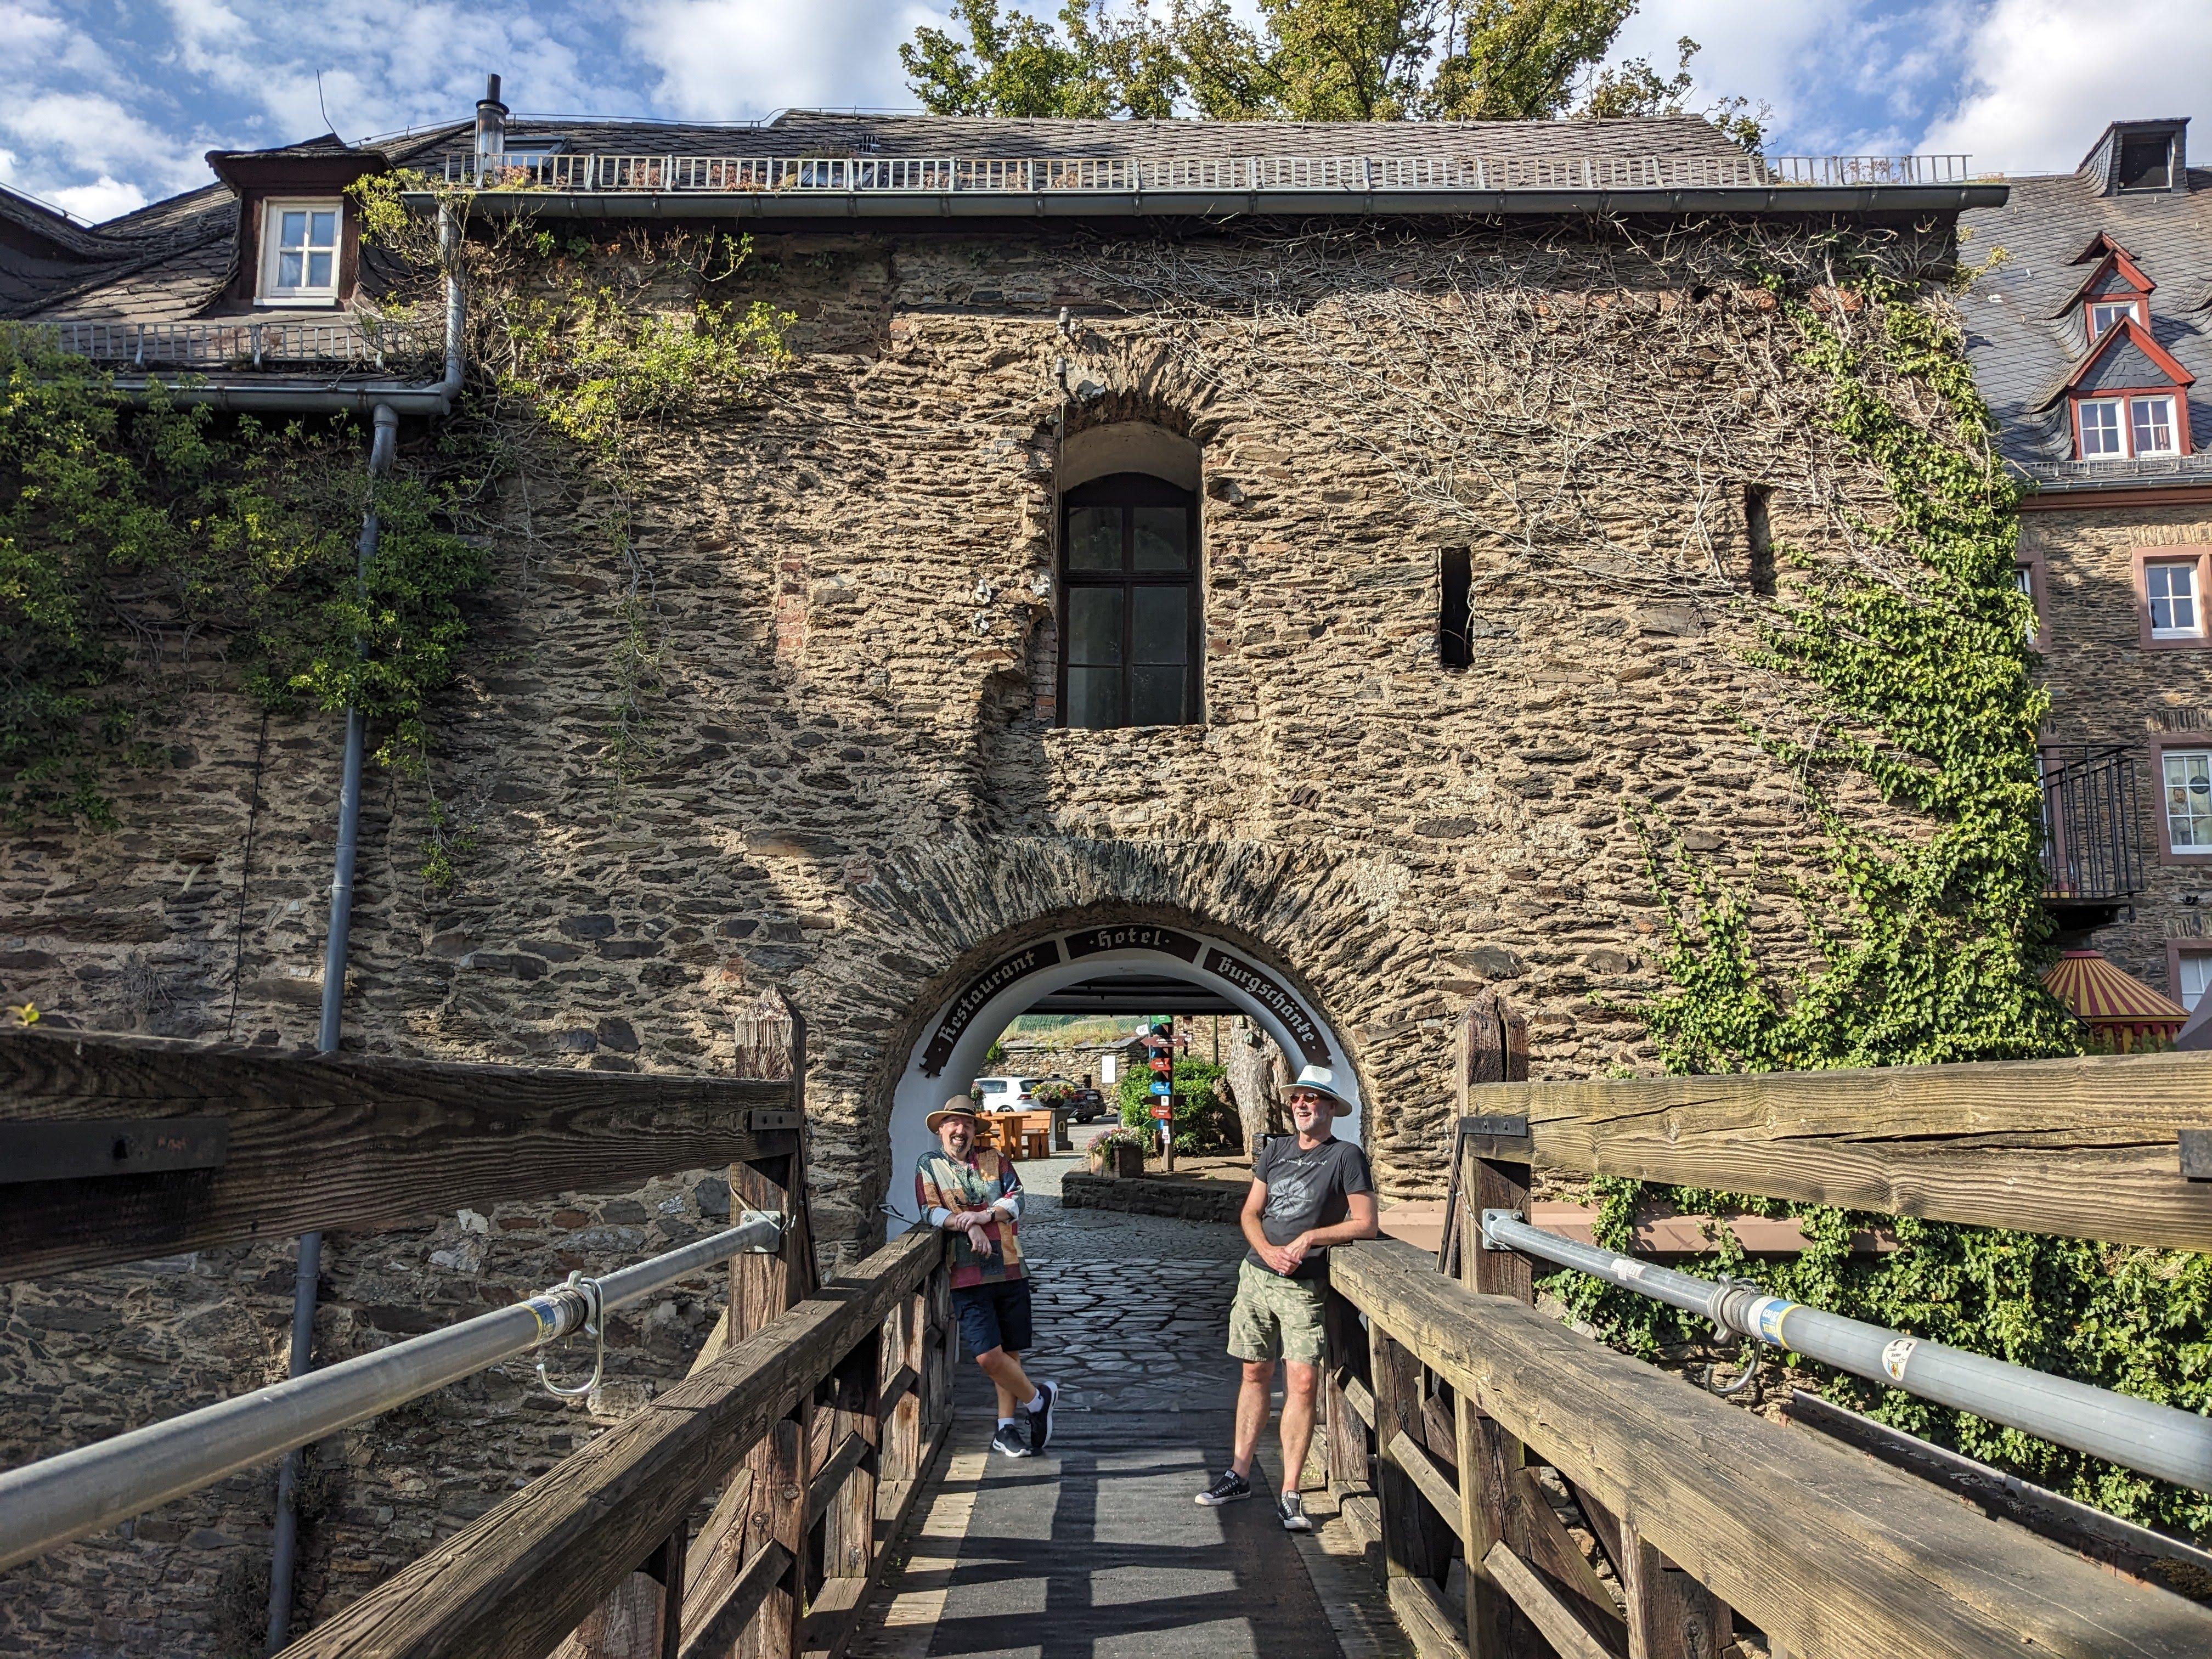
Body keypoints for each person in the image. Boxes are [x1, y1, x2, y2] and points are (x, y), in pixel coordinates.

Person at [1196, 1063, 1377, 1530]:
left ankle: (1291, 1491)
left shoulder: (1346, 1157)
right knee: (1254, 1372)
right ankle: (1239, 1474)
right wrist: (1267, 1250)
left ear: (1332, 1107)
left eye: (1313, 1098)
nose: (1302, 1104)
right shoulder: (1274, 1151)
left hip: (1303, 1284)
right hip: (1257, 1276)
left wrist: (1312, 1237)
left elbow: (1365, 1223)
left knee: (1301, 1383)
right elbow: (1251, 1213)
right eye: (1297, 1096)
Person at [915, 1098, 1058, 1458]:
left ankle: (1006, 1429)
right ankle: (1038, 1399)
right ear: (941, 1130)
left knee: (1010, 1351)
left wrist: (980, 1219)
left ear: (975, 1130)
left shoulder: (995, 1160)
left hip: (1009, 1265)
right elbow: (931, 1211)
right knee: (987, 1357)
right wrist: (967, 1228)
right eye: (951, 1124)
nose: (959, 1130)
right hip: (966, 1272)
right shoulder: (929, 1165)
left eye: (965, 1124)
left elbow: (1018, 1199)